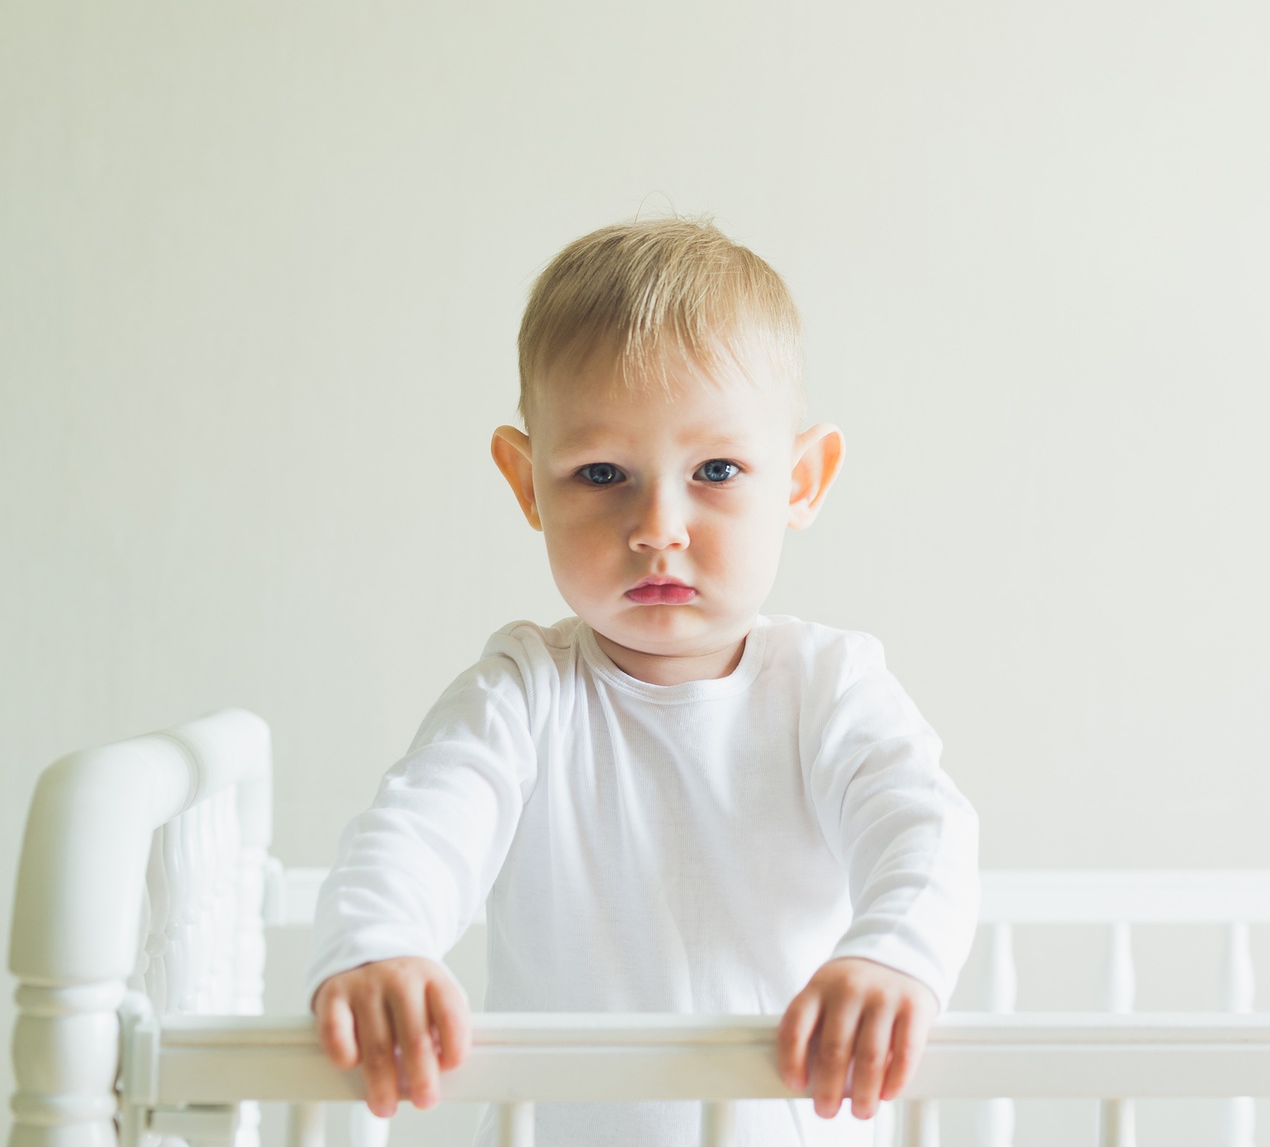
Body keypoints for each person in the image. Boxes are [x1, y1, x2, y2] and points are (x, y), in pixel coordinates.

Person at [306, 218, 980, 1144]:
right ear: (527, 481)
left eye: (715, 469)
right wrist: (379, 941)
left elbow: (925, 834)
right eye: (602, 473)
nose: (658, 525)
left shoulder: (828, 689)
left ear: (802, 479)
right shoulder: (524, 695)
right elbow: (418, 829)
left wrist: (893, 954)